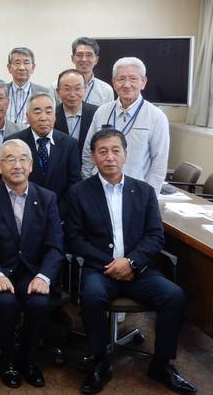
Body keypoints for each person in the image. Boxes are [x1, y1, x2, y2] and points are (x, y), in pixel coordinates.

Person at [66, 129, 196, 395]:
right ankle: (100, 363)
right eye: (102, 151)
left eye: (116, 150)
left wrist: (131, 263)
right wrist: (112, 264)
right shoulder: (79, 192)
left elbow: (155, 236)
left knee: (174, 296)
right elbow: (75, 238)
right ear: (93, 156)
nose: (109, 157)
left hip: (140, 271)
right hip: (100, 270)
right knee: (91, 296)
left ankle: (161, 364)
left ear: (126, 154)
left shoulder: (144, 191)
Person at [0, 139, 64, 389]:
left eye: (23, 159)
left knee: (39, 303)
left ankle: (28, 360)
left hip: (33, 272)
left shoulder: (47, 198)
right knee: (4, 303)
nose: (17, 165)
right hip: (1, 269)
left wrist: (44, 276)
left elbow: (55, 245)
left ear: (31, 165)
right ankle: (8, 359)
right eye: (10, 159)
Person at [81, 57, 169, 194]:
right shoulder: (102, 112)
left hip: (136, 192)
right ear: (113, 83)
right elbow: (88, 151)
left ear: (143, 82)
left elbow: (159, 163)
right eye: (121, 79)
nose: (127, 85)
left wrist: (150, 196)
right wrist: (87, 185)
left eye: (133, 79)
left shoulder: (156, 117)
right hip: (99, 189)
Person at [6, 93, 81, 217]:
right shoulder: (14, 143)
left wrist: (57, 211)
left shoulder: (69, 144)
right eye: (37, 112)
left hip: (60, 215)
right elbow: (8, 181)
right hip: (22, 213)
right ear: (27, 117)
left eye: (48, 112)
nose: (43, 118)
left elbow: (74, 183)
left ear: (55, 116)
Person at [54, 69, 98, 161]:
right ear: (58, 91)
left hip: (90, 166)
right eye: (67, 89)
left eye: (78, 88)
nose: (72, 94)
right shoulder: (52, 116)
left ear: (85, 89)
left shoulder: (97, 113)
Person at [5, 47, 48, 126]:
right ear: (9, 68)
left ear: (33, 67)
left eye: (26, 63)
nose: (22, 68)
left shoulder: (44, 93)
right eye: (17, 63)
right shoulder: (1, 91)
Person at [70, 37, 114, 106]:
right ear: (73, 58)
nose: (84, 59)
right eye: (79, 55)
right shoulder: (57, 87)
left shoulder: (106, 90)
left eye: (89, 55)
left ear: (96, 60)